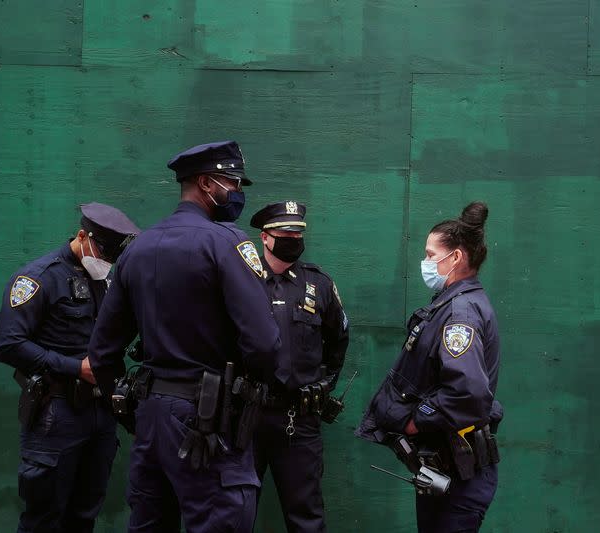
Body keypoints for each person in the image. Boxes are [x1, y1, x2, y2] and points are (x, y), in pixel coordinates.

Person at [86, 140, 281, 533]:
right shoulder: (228, 243)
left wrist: (132, 413)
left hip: (152, 415)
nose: (238, 192)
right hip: (208, 420)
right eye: (233, 182)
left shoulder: (137, 249)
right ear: (207, 184)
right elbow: (264, 344)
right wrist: (246, 393)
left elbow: (102, 353)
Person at [0, 202, 141, 533]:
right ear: (82, 236)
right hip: (55, 413)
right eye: (103, 252)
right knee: (44, 518)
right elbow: (8, 344)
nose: (106, 261)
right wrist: (76, 368)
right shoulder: (37, 278)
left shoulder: (105, 280)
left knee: (84, 514)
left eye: (112, 257)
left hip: (100, 413)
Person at [356, 201, 503, 533]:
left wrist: (414, 421)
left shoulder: (459, 314)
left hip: (460, 474)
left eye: (430, 254)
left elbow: (467, 392)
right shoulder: (450, 305)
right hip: (445, 468)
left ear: (455, 258)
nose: (425, 262)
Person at [248, 201, 350, 533]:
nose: (293, 237)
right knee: (234, 511)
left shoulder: (318, 284)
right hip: (244, 417)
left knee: (306, 515)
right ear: (265, 237)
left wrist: (324, 384)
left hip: (297, 420)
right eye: (285, 232)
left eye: (298, 232)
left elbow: (339, 338)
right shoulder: (242, 279)